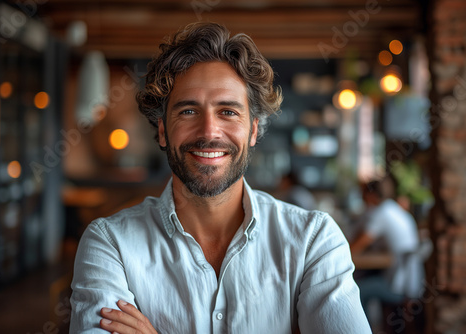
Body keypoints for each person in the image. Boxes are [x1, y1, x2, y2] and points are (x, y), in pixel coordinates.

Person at [70, 22, 370, 334]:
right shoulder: (110, 244)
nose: (209, 132)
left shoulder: (313, 241)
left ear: (253, 130)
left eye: (228, 112)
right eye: (188, 111)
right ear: (162, 129)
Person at [350, 178, 424, 316]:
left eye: (363, 194)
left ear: (371, 195)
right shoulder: (393, 209)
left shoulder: (382, 213)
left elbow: (357, 246)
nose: (362, 199)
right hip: (411, 280)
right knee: (363, 277)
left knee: (356, 290)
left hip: (401, 287)